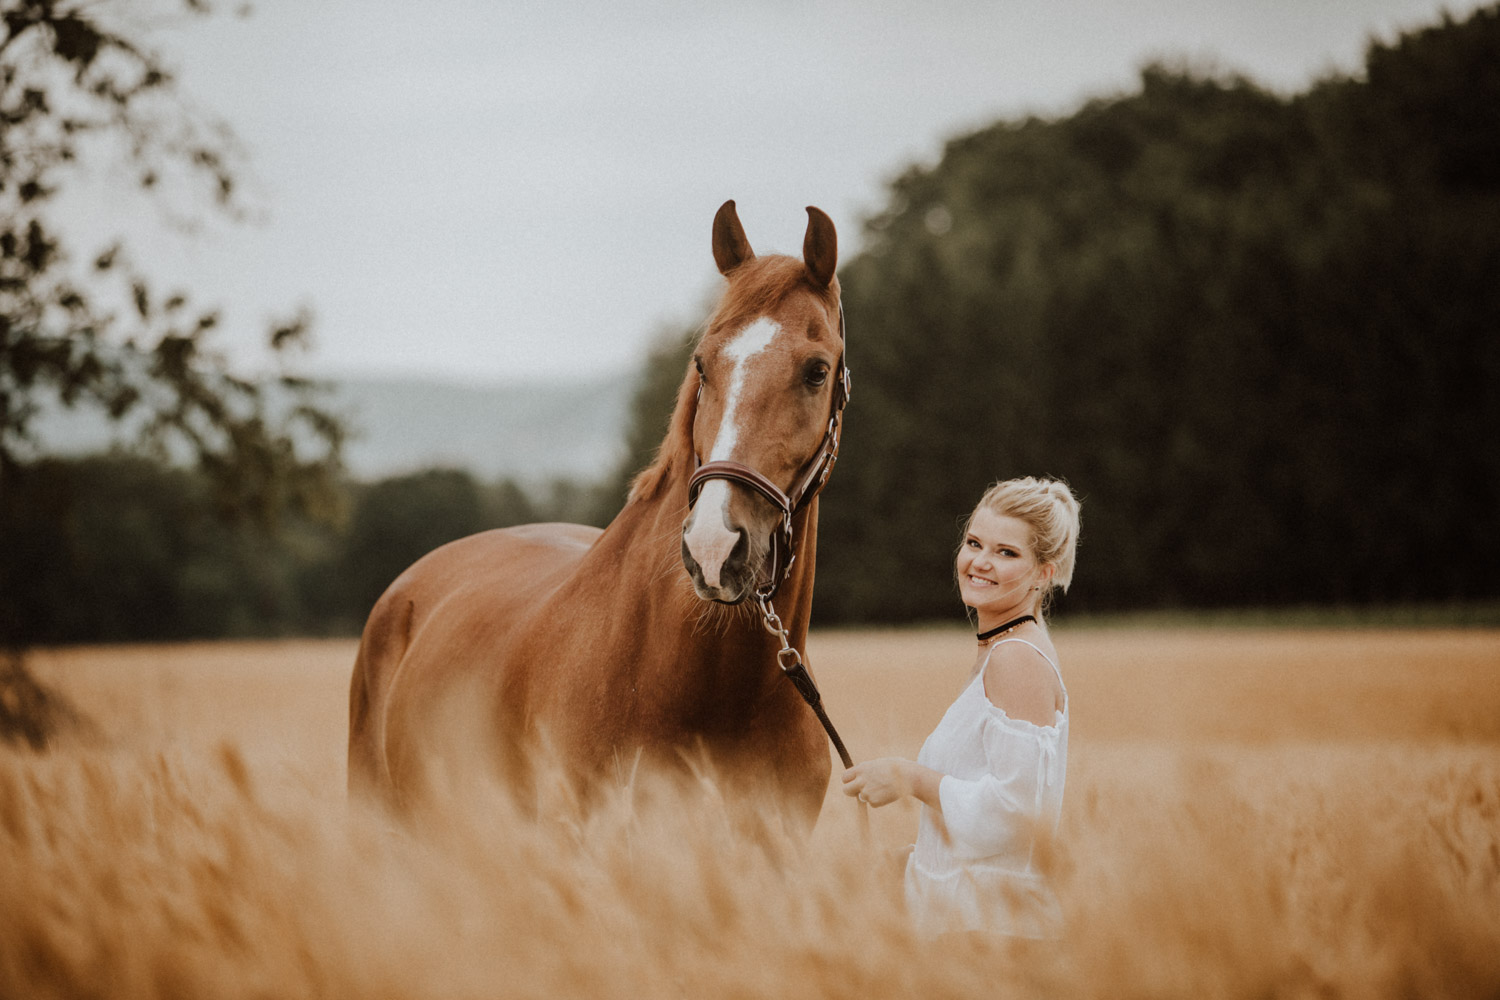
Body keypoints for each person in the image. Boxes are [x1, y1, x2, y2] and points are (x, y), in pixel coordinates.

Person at [841, 476, 1081, 938]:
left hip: (996, 939)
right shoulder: (1002, 649)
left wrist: (908, 777)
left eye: (1006, 553)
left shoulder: (1017, 660)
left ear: (1044, 573)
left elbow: (1015, 816)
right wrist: (913, 864)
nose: (981, 562)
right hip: (968, 929)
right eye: (974, 543)